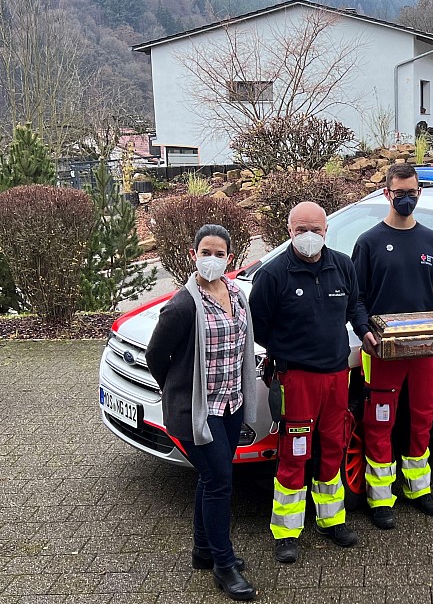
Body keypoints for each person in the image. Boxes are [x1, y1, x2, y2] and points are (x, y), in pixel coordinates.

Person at [145, 224, 258, 601]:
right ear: (193, 255)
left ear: (230, 257)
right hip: (199, 411)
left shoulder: (237, 295)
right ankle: (223, 565)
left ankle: (202, 551)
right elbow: (156, 356)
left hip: (231, 406)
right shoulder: (181, 305)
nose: (212, 259)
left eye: (220, 253)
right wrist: (177, 389)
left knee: (210, 479)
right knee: (220, 482)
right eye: (205, 252)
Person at [249, 202, 360, 564]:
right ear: (289, 230)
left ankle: (332, 520)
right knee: (295, 454)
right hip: (297, 379)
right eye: (300, 230)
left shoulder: (342, 266)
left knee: (334, 448)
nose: (308, 236)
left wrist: (365, 332)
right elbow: (259, 326)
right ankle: (286, 531)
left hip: (336, 377)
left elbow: (353, 308)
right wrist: (290, 351)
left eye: (315, 229)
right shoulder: (273, 274)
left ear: (326, 230)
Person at [351, 163, 433, 529]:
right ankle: (380, 499)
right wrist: (363, 329)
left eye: (412, 192)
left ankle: (418, 489)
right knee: (380, 422)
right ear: (387, 193)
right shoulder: (368, 242)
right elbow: (358, 298)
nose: (406, 199)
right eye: (400, 193)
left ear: (419, 192)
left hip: (424, 352)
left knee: (423, 419)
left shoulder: (432, 242)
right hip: (384, 353)